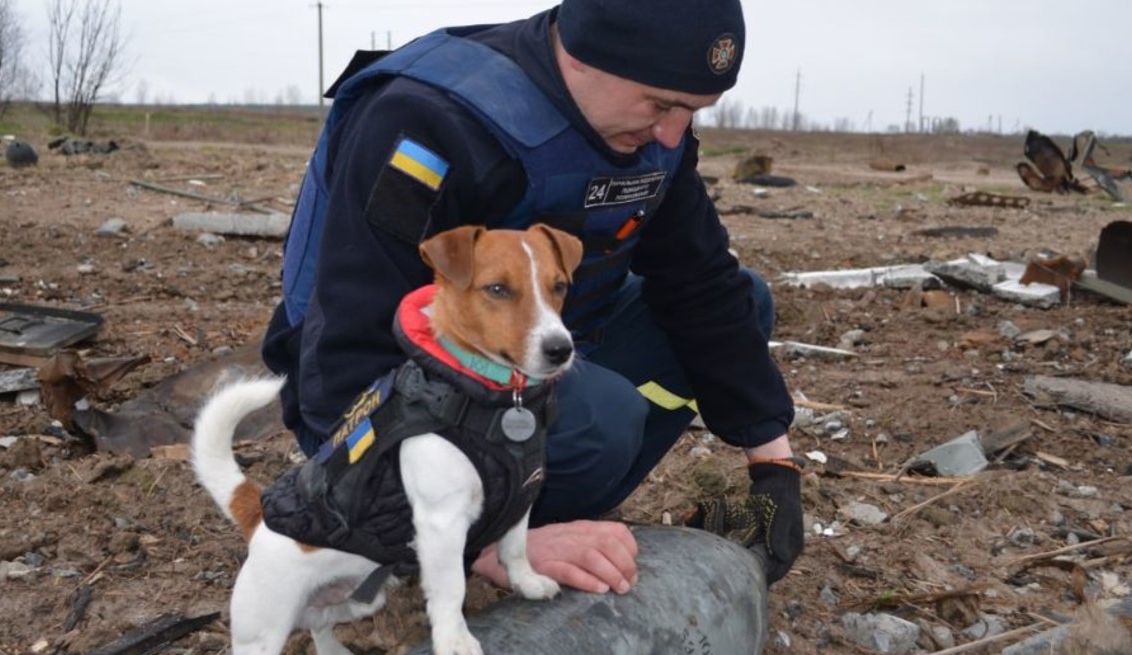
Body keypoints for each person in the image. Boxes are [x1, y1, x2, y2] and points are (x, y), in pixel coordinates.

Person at [261, 0, 803, 596]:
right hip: (376, 405)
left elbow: (700, 282)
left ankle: (548, 504)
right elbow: (347, 359)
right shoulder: (428, 120)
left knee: (744, 304)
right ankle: (468, 538)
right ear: (582, 55)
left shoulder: (651, 135)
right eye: (661, 104)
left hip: (543, 353)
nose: (673, 134)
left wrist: (773, 467)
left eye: (695, 111)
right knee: (602, 416)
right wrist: (484, 550)